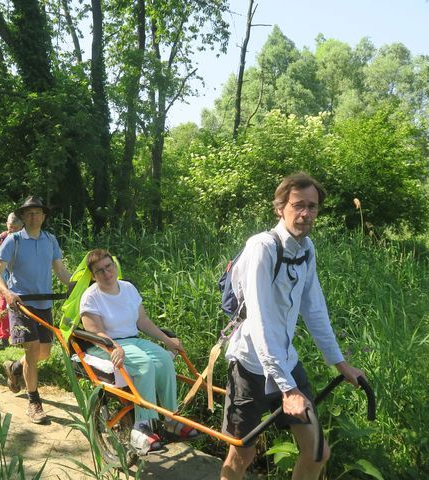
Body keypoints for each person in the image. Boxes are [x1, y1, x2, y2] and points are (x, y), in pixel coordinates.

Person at [220, 173, 366, 480]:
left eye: (312, 207)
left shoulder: (306, 248)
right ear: (280, 208)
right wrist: (287, 389)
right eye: (298, 205)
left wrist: (341, 364)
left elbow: (315, 309)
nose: (306, 214)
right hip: (250, 367)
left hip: (286, 362)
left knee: (317, 453)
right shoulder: (262, 247)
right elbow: (259, 320)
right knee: (242, 454)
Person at [79, 248, 199, 455]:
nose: (106, 274)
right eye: (100, 271)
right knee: (144, 364)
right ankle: (141, 426)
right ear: (93, 275)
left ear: (114, 266)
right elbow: (94, 331)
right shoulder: (91, 296)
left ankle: (171, 419)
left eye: (109, 267)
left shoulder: (128, 288)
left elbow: (142, 321)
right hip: (104, 345)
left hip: (132, 341)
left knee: (163, 359)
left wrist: (167, 340)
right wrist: (114, 347)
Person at [0, 196, 71, 424]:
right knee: (33, 349)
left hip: (45, 303)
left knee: (43, 352)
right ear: (23, 217)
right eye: (29, 213)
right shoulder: (13, 240)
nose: (33, 216)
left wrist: (79, 287)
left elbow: (61, 271)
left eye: (37, 212)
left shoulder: (50, 240)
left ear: (44, 216)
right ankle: (34, 402)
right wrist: (7, 294)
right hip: (21, 304)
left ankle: (15, 368)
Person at [0, 212, 24, 350]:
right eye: (10, 226)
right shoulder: (3, 237)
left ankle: (19, 336)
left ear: (22, 226)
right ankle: (3, 337)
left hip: (22, 279)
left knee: (21, 308)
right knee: (3, 308)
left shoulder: (27, 237)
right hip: (5, 278)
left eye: (15, 227)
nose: (12, 229)